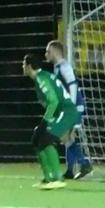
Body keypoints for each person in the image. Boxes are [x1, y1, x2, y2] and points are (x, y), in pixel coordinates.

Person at [22, 53, 80, 189]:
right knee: (36, 138)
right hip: (61, 112)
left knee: (46, 137)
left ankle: (58, 178)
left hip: (66, 111)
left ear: (29, 66)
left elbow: (53, 101)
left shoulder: (41, 78)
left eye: (23, 64)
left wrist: (45, 122)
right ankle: (48, 178)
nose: (22, 67)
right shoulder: (42, 77)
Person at [45, 40, 93, 180]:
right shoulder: (58, 67)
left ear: (55, 52)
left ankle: (84, 164)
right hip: (71, 106)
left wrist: (70, 107)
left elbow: (72, 85)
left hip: (74, 106)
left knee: (64, 136)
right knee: (67, 137)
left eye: (48, 51)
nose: (46, 54)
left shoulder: (64, 67)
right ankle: (71, 170)